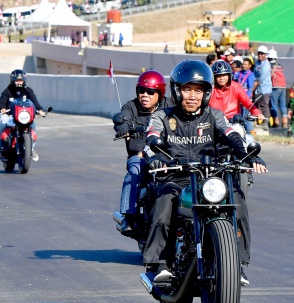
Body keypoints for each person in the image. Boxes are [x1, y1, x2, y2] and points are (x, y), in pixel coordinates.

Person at [143, 59, 268, 286]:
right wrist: (156, 156)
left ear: (207, 93)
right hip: (174, 176)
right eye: (187, 89)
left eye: (198, 91)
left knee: (237, 200)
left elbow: (231, 134)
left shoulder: (215, 116)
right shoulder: (163, 116)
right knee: (163, 204)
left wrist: (248, 154)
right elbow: (152, 136)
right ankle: (158, 264)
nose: (192, 96)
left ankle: (236, 264)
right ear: (176, 91)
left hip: (209, 178)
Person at [114, 70, 173, 232]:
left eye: (150, 92)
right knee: (135, 169)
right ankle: (129, 216)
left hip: (167, 155)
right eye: (141, 91)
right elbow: (122, 120)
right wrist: (122, 127)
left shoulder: (170, 106)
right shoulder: (131, 107)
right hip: (139, 156)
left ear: (160, 93)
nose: (145, 95)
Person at [0, 69, 47, 160]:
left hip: (23, 115)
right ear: (12, 80)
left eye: (20, 80)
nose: (19, 83)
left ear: (24, 81)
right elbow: (2, 101)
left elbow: (34, 101)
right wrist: (2, 108)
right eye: (17, 81)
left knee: (33, 126)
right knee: (2, 123)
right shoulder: (7, 91)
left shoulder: (28, 90)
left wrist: (40, 110)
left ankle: (31, 149)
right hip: (9, 115)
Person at [252, 45, 272, 130]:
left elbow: (261, 78)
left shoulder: (266, 64)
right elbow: (254, 60)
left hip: (265, 89)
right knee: (258, 105)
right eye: (259, 53)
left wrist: (252, 87)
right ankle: (259, 122)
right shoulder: (258, 63)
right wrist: (251, 52)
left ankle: (265, 123)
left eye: (262, 54)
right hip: (259, 90)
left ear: (265, 55)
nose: (260, 55)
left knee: (264, 106)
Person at [268, 49, 288, 128]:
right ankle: (285, 122)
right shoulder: (280, 65)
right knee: (283, 105)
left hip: (275, 87)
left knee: (274, 105)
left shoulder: (269, 65)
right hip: (283, 86)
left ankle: (276, 122)